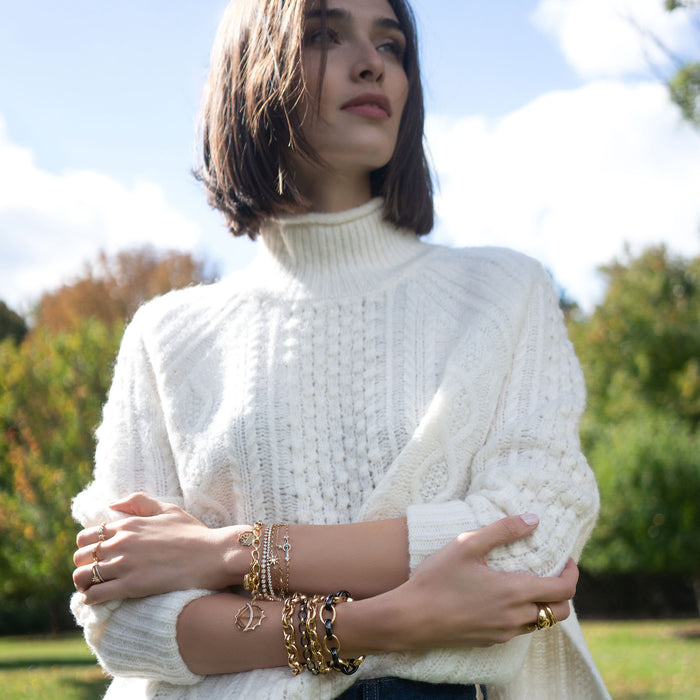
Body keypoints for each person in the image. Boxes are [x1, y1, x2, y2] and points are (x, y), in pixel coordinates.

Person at [70, 0, 610, 698]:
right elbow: (122, 615)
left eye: (391, 46)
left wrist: (225, 554)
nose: (371, 64)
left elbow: (530, 546)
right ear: (251, 71)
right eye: (326, 35)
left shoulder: (504, 294)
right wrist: (381, 624)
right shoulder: (167, 335)